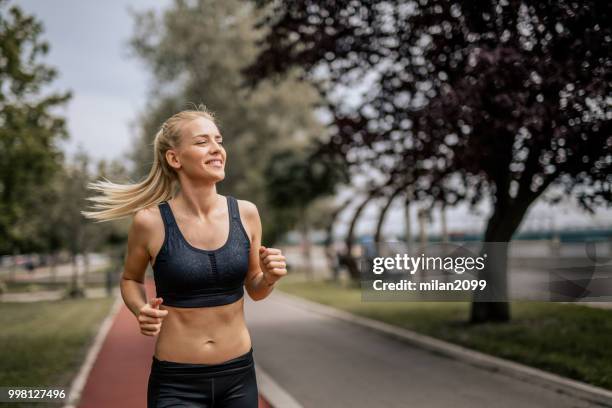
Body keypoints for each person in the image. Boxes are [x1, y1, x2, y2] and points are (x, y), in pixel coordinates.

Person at [82, 105, 288, 407]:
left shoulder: (246, 213)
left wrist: (269, 277)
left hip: (239, 376)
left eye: (218, 140)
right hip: (177, 384)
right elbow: (130, 279)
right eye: (202, 141)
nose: (217, 149)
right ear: (174, 158)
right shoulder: (150, 221)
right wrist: (141, 309)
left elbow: (255, 290)